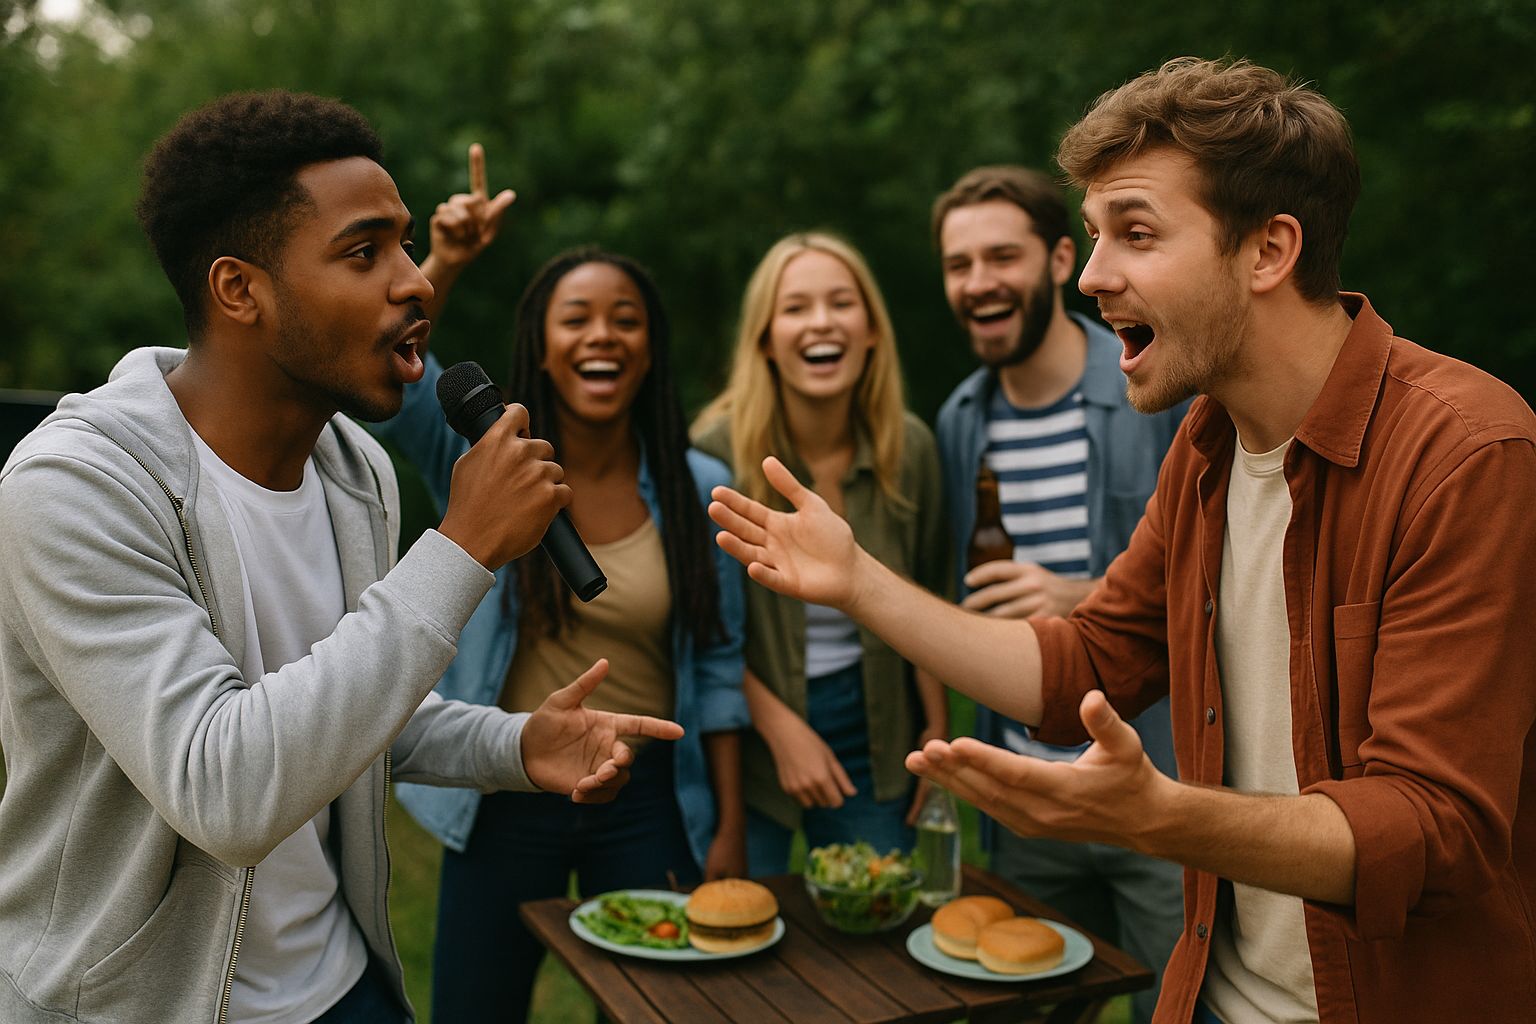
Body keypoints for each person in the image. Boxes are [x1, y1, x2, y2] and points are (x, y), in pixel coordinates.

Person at [706, 58, 1536, 1024]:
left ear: (1268, 251)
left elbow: (1433, 829)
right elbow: (1086, 664)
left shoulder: (1466, 453)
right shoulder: (1207, 446)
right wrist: (859, 582)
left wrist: (1158, 817)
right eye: (1095, 235)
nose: (1092, 276)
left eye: (1135, 233)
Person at [0, 91, 684, 1024]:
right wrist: (462, 547)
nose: (415, 283)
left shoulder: (353, 468)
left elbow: (344, 714)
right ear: (239, 290)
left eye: (407, 245)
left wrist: (513, 743)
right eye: (365, 254)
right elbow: (223, 789)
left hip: (342, 988)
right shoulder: (76, 489)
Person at [372, 147, 750, 1023]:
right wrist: (446, 260)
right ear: (542, 347)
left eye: (625, 320)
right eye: (576, 318)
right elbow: (396, 382)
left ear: (650, 349)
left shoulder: (697, 488)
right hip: (510, 780)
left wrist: (728, 825)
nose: (602, 335)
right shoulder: (488, 458)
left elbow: (719, 661)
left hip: (649, 794)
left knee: (667, 1011)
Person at [930, 164, 1185, 1023]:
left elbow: (1221, 574)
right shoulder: (960, 420)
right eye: (959, 265)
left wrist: (1078, 595)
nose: (979, 282)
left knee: (1180, 1007)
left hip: (1157, 788)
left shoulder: (1155, 383)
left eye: (1002, 256)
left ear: (1060, 260)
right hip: (1027, 800)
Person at [691, 232, 950, 874]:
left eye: (841, 303)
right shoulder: (714, 453)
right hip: (752, 733)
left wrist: (936, 731)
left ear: (871, 331)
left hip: (879, 730)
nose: (821, 322)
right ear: (765, 339)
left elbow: (931, 593)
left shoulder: (910, 449)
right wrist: (781, 729)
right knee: (745, 918)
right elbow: (701, 627)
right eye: (796, 307)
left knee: (877, 913)